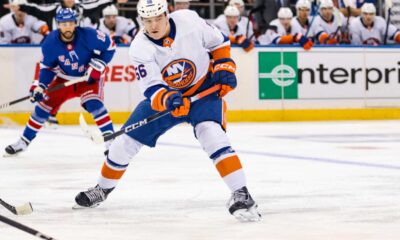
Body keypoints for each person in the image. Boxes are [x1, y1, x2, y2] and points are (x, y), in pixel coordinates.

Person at [74, 0, 261, 222]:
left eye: (157, 18)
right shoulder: (139, 47)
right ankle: (102, 189)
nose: (153, 25)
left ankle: (241, 192)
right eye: (147, 20)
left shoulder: (189, 20)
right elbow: (152, 88)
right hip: (167, 99)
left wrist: (224, 67)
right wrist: (169, 98)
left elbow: (218, 43)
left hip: (203, 90)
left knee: (211, 134)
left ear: (167, 13)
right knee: (124, 143)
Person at [4, 8, 115, 156]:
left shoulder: (89, 35)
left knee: (94, 104)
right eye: (63, 23)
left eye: (70, 23)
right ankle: (23, 142)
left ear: (75, 23)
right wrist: (40, 87)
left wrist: (99, 64)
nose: (67, 27)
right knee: (42, 108)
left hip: (88, 78)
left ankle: (111, 142)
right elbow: (47, 68)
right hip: (65, 78)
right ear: (58, 24)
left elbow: (110, 47)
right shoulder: (50, 43)